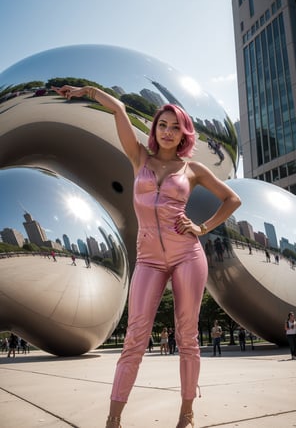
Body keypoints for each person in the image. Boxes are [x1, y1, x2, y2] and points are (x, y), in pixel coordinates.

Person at [52, 84, 241, 428]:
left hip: (187, 255)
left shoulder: (193, 170)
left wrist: (202, 227)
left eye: (175, 127)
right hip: (149, 259)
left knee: (187, 336)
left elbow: (232, 199)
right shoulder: (139, 157)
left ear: (183, 133)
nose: (167, 132)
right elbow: (119, 111)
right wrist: (87, 91)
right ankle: (113, 419)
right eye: (162, 125)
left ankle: (186, 415)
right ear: (154, 130)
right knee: (135, 337)